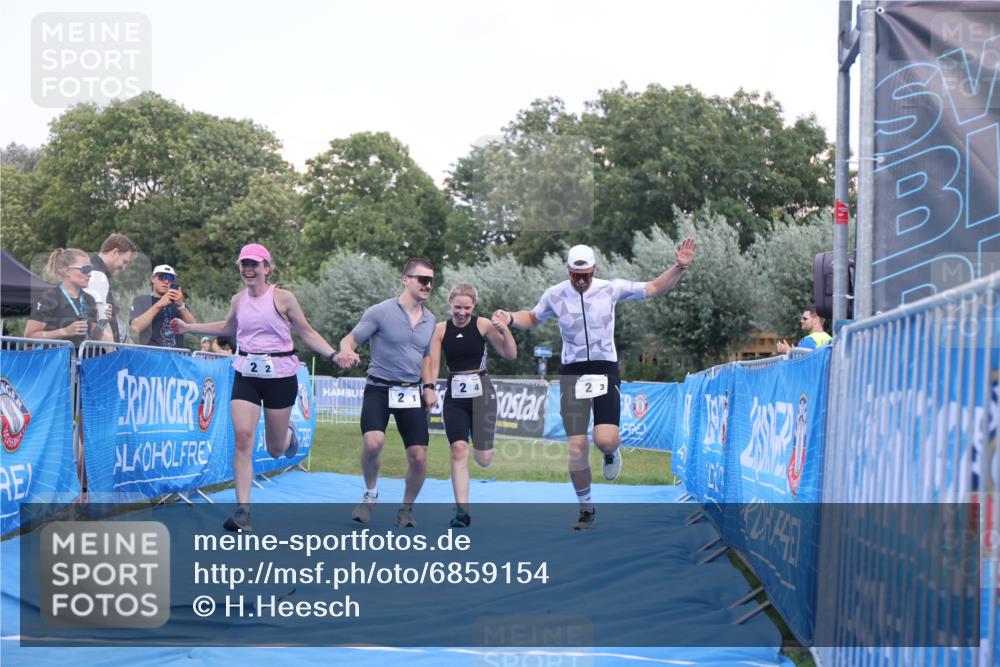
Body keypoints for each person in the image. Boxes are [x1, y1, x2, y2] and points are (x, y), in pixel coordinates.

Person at [495, 239, 697, 530]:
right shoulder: (555, 294)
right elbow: (533, 317)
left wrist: (679, 267)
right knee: (576, 447)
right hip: (572, 372)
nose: (580, 280)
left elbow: (653, 288)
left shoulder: (610, 288)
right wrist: (511, 318)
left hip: (604, 370)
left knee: (604, 439)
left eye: (585, 274)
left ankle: (612, 453)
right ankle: (586, 508)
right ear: (567, 271)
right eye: (575, 275)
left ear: (594, 269)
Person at [170, 243, 338, 532]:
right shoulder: (238, 300)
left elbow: (307, 332)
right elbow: (227, 327)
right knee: (244, 437)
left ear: (266, 268)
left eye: (254, 264)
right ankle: (243, 512)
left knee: (275, 450)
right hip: (246, 373)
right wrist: (188, 329)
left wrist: (334, 355)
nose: (248, 269)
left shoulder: (283, 298)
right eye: (244, 264)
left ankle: (288, 435)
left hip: (281, 376)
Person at [333, 258, 438, 528]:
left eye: (431, 280)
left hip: (410, 392)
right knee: (373, 443)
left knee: (419, 456)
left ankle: (406, 509)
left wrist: (428, 388)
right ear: (405, 279)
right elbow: (351, 338)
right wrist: (346, 350)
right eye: (422, 279)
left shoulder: (430, 320)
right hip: (379, 388)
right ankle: (370, 494)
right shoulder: (380, 312)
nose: (427, 285)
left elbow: (426, 358)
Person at [428, 283, 516, 527]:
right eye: (457, 307)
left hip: (482, 394)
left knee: (484, 459)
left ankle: (485, 442)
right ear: (450, 304)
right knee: (458, 449)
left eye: (467, 308)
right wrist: (430, 389)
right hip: (455, 395)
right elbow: (433, 366)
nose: (462, 312)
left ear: (473, 306)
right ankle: (462, 513)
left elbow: (510, 354)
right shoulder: (439, 330)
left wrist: (505, 330)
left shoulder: (483, 325)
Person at [24, 248, 103, 349]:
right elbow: (29, 337)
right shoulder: (49, 297)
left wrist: (103, 322)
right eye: (85, 269)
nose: (89, 274)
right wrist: (65, 331)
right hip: (54, 361)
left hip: (80, 362)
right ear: (67, 271)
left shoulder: (89, 299)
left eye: (90, 269)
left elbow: (94, 339)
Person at [85, 234, 138, 343]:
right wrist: (112, 354)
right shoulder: (97, 275)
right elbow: (100, 321)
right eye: (125, 262)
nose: (124, 268)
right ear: (115, 252)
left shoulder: (95, 271)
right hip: (100, 354)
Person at [129, 265, 198, 348]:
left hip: (175, 356)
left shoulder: (178, 303)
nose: (166, 281)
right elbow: (136, 327)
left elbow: (195, 330)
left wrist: (181, 305)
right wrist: (159, 304)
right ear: (152, 279)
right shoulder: (141, 300)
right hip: (151, 354)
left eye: (170, 278)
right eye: (162, 277)